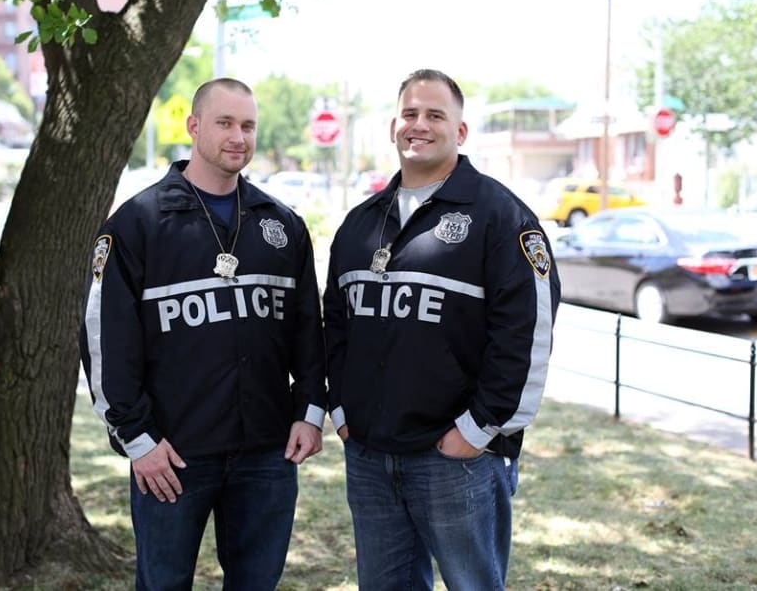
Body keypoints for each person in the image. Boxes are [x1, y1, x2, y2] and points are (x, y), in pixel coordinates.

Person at [80, 77, 327, 590]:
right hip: (172, 453)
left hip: (267, 450)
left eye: (248, 125)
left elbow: (308, 332)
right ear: (194, 127)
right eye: (225, 123)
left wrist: (310, 412)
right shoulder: (137, 224)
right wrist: (137, 438)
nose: (238, 136)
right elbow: (105, 341)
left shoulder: (280, 225)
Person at [323, 69, 560, 590]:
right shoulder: (362, 222)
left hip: (456, 458)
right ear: (393, 127)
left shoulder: (503, 218)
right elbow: (335, 328)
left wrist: (477, 431)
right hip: (370, 454)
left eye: (435, 115)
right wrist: (342, 412)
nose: (420, 125)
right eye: (410, 114)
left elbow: (527, 336)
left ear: (461, 131)